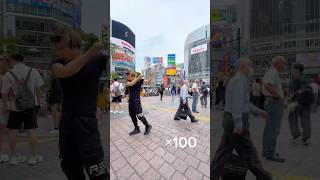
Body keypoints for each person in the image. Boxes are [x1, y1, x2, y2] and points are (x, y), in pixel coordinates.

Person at [51, 26, 107, 179]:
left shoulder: (97, 61)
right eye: (57, 49)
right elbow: (64, 71)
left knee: (98, 173)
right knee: (72, 172)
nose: (59, 53)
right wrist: (90, 52)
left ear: (73, 44)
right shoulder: (58, 63)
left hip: (86, 125)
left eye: (62, 49)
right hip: (67, 126)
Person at [212, 58, 271, 180]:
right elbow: (238, 104)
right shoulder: (240, 80)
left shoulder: (236, 80)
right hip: (235, 120)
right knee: (248, 150)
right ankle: (262, 175)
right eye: (250, 66)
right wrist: (238, 124)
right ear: (243, 66)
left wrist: (259, 111)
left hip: (230, 118)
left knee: (223, 152)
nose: (251, 69)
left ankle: (213, 174)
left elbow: (244, 103)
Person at [1, 53, 44, 165]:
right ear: (23, 60)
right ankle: (34, 156)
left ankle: (15, 156)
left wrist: (5, 105)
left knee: (13, 131)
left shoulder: (8, 74)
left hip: (14, 107)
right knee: (31, 131)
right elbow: (39, 89)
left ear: (12, 60)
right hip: (30, 106)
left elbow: (4, 93)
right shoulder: (33, 71)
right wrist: (40, 103)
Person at [262, 56, 286, 162]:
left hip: (271, 102)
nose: (284, 66)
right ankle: (270, 153)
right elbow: (268, 85)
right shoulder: (273, 72)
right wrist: (278, 97)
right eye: (283, 64)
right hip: (273, 103)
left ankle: (267, 151)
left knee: (269, 128)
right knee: (273, 129)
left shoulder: (272, 72)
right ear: (277, 63)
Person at [288, 64, 312, 145]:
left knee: (292, 119)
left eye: (293, 69)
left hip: (295, 103)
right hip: (306, 102)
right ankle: (306, 138)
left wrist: (289, 99)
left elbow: (291, 93)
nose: (292, 70)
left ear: (296, 70)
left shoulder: (294, 80)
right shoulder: (306, 79)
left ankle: (296, 135)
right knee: (306, 120)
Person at [126, 71, 153, 136]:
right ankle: (136, 128)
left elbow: (148, 82)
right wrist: (138, 78)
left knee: (140, 115)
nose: (127, 77)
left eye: (128, 75)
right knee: (132, 115)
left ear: (132, 75)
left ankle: (148, 126)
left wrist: (152, 75)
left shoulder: (139, 80)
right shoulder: (128, 81)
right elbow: (131, 84)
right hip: (131, 101)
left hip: (136, 101)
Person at [0, 56, 9, 163]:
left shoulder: (5, 77)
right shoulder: (4, 77)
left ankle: (4, 153)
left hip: (3, 105)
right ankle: (3, 153)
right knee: (2, 132)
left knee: (2, 131)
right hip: (2, 105)